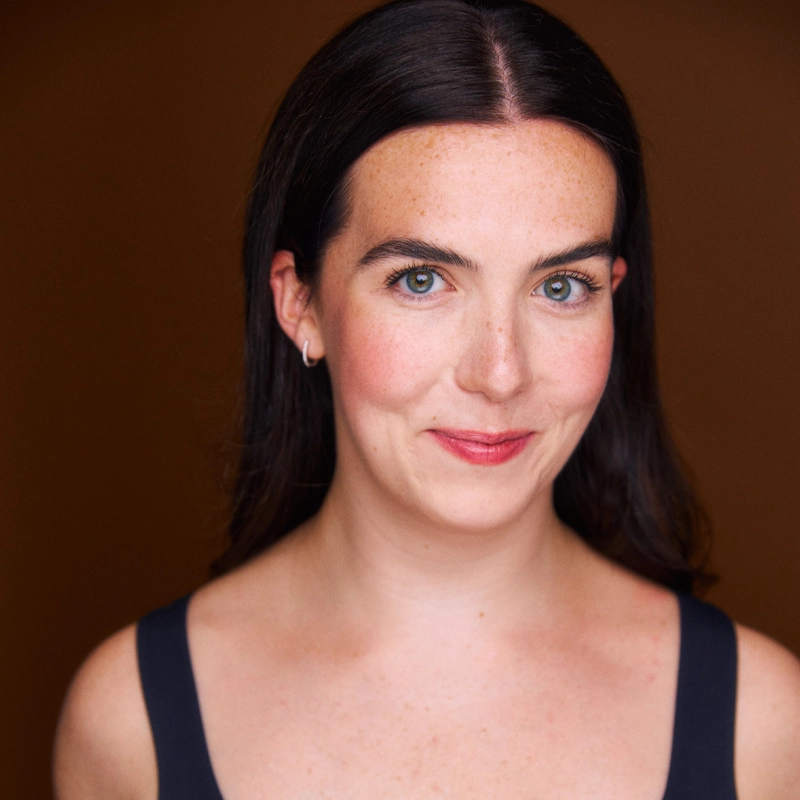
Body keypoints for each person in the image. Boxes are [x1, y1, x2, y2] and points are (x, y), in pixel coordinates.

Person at [53, 0, 800, 797]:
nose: (500, 374)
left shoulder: (763, 725)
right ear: (300, 302)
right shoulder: (131, 723)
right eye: (421, 280)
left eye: (560, 286)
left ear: (613, 296)